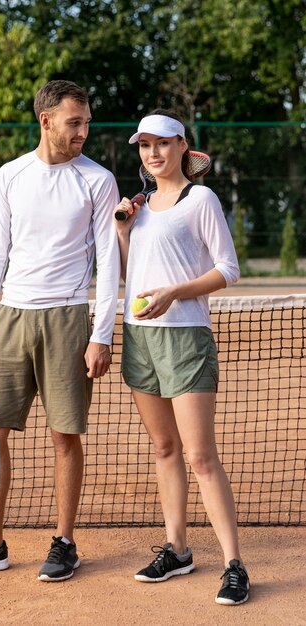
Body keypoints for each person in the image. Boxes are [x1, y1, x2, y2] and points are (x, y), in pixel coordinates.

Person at [0, 80, 120, 581]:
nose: (83, 130)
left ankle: (64, 544)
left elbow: (109, 261)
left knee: (65, 438)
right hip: (12, 318)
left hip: (68, 319)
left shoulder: (98, 180)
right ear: (46, 121)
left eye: (86, 121)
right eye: (74, 122)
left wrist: (102, 334)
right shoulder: (11, 175)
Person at [114, 109, 250, 605]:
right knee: (165, 450)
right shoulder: (140, 206)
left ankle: (235, 564)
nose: (153, 153)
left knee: (199, 456)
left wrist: (177, 293)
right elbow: (133, 272)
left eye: (162, 144)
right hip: (139, 337)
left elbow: (228, 269)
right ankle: (177, 549)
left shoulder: (202, 199)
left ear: (182, 148)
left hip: (186, 337)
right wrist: (125, 231)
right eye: (144, 145)